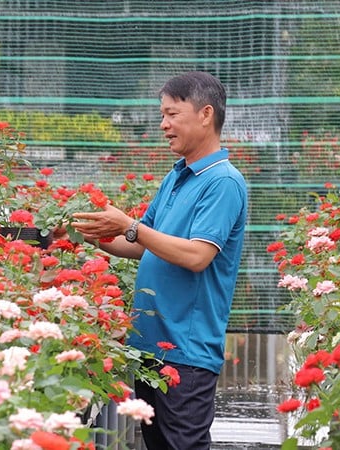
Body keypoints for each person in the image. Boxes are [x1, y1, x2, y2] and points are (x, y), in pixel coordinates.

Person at [71, 71, 247, 449]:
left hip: (187, 351)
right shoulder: (177, 177)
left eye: (171, 114)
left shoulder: (223, 182)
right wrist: (91, 233)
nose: (163, 125)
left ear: (205, 114)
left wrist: (129, 224)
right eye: (161, 115)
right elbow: (140, 243)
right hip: (151, 345)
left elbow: (198, 256)